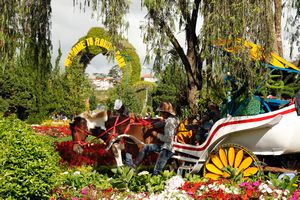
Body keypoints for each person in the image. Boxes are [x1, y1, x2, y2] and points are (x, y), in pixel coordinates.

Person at [134, 102, 179, 175]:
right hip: (168, 146)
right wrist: (153, 125)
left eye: (161, 113)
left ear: (166, 113)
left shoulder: (170, 122)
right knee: (146, 147)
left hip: (168, 149)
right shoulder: (174, 119)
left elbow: (168, 139)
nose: (160, 115)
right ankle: (134, 166)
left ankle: (156, 181)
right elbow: (164, 123)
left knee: (156, 171)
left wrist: (156, 135)